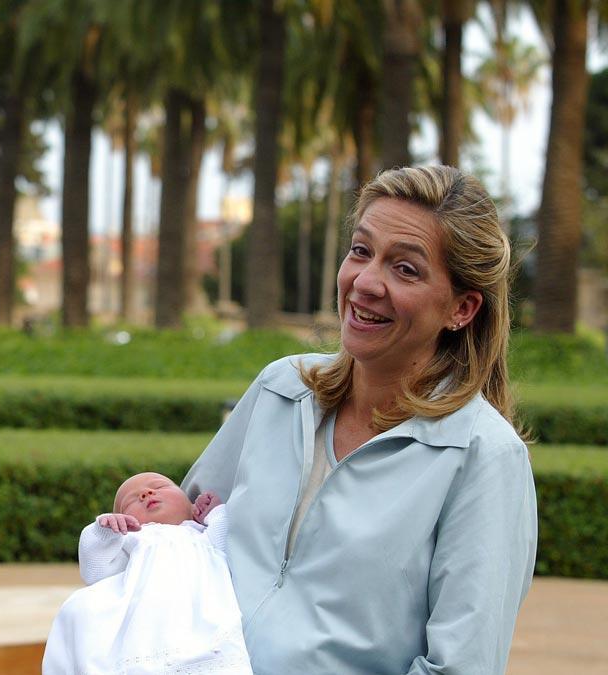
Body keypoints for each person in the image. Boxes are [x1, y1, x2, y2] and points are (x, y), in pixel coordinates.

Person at [183, 165, 536, 674]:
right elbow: (183, 537)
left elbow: (460, 667)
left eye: (406, 269)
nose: (366, 283)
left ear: (462, 308)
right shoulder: (281, 388)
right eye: (361, 250)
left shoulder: (483, 457)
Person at [43, 472, 253, 675]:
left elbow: (228, 547)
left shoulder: (203, 537)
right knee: (79, 607)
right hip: (145, 631)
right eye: (130, 502)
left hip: (205, 630)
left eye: (159, 486)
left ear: (190, 505)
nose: (145, 494)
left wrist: (215, 513)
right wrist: (103, 532)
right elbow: (94, 574)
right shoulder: (133, 542)